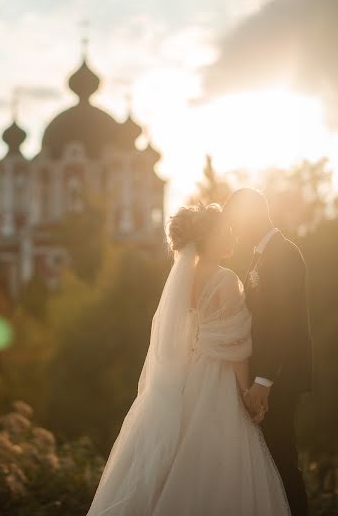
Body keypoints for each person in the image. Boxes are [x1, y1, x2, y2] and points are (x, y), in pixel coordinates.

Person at [86, 201, 291, 516]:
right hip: (218, 378)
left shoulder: (186, 279)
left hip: (189, 373)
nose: (233, 239)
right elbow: (234, 342)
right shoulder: (225, 279)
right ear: (208, 239)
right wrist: (246, 393)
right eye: (227, 233)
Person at [223, 188, 313, 516]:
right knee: (270, 464)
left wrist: (263, 380)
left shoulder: (284, 254)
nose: (233, 231)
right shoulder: (263, 255)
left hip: (279, 378)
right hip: (269, 376)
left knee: (282, 463)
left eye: (235, 223)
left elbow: (283, 323)